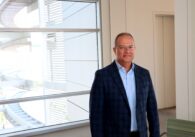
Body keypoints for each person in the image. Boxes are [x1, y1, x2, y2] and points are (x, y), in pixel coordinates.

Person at [89, 32, 160, 137]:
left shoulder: (144, 74)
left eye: (130, 47)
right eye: (122, 47)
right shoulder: (102, 76)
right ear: (115, 50)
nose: (127, 51)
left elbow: (152, 111)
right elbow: (96, 116)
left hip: (140, 134)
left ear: (135, 49)